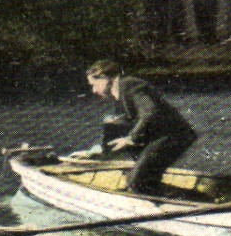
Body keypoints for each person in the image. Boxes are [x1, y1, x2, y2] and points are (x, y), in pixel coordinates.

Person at [85, 60, 198, 197]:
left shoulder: (130, 85)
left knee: (137, 182)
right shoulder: (119, 93)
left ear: (104, 77)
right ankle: (159, 194)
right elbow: (128, 123)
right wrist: (97, 151)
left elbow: (150, 111)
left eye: (94, 85)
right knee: (141, 179)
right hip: (160, 137)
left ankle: (194, 200)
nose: (94, 90)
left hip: (173, 137)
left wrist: (131, 138)